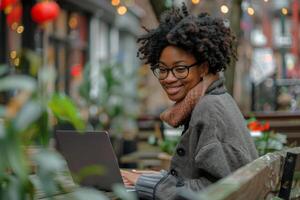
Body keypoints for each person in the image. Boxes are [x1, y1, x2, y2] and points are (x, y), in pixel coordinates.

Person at [121, 3, 258, 200]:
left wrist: (147, 184)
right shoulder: (215, 100)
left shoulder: (208, 108)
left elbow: (218, 189)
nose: (168, 78)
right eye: (163, 69)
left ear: (203, 68)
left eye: (180, 69)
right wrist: (155, 179)